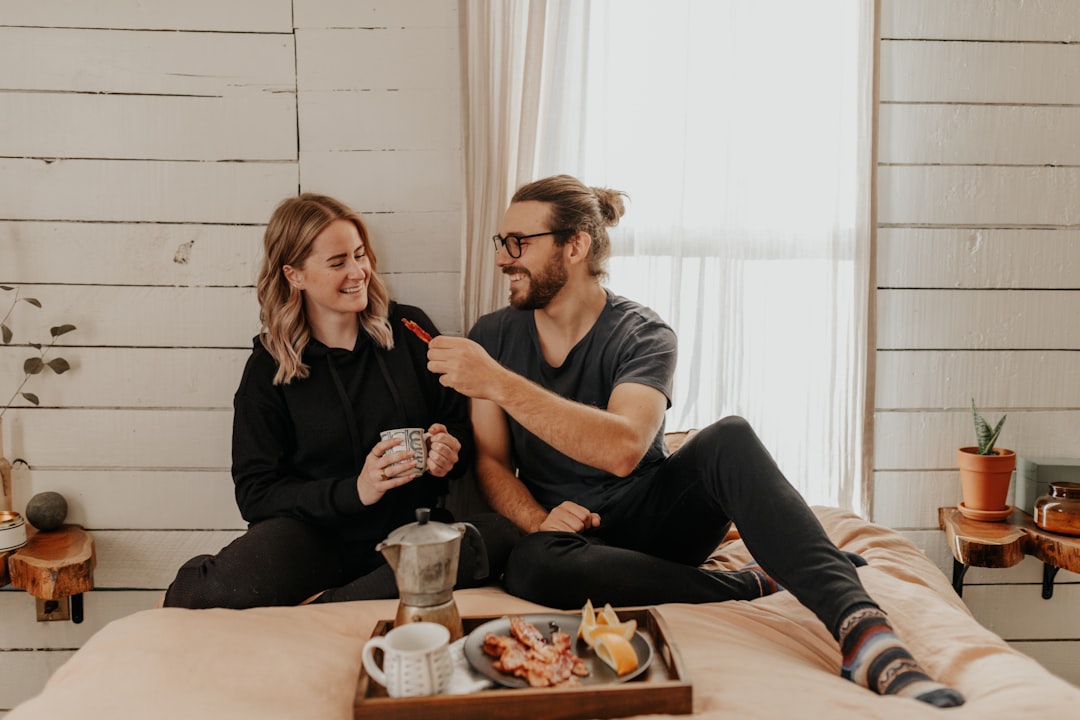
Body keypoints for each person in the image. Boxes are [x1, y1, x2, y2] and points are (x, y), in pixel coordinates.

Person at [426, 175, 964, 708]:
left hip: (653, 522)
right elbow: (493, 462)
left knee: (728, 437)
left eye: (519, 243)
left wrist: (498, 381)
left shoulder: (642, 333)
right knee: (528, 565)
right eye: (502, 243)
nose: (503, 258)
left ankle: (867, 636)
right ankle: (751, 585)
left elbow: (623, 450)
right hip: (569, 543)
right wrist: (538, 520)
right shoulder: (492, 337)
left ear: (575, 246)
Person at [163, 193, 517, 609]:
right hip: (313, 538)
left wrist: (447, 450)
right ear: (294, 275)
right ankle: (373, 589)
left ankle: (329, 605)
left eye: (360, 255)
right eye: (337, 263)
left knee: (498, 536)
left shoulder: (409, 330)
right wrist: (357, 490)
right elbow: (256, 495)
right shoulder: (268, 369)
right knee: (207, 592)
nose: (358, 271)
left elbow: (455, 423)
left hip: (406, 532)